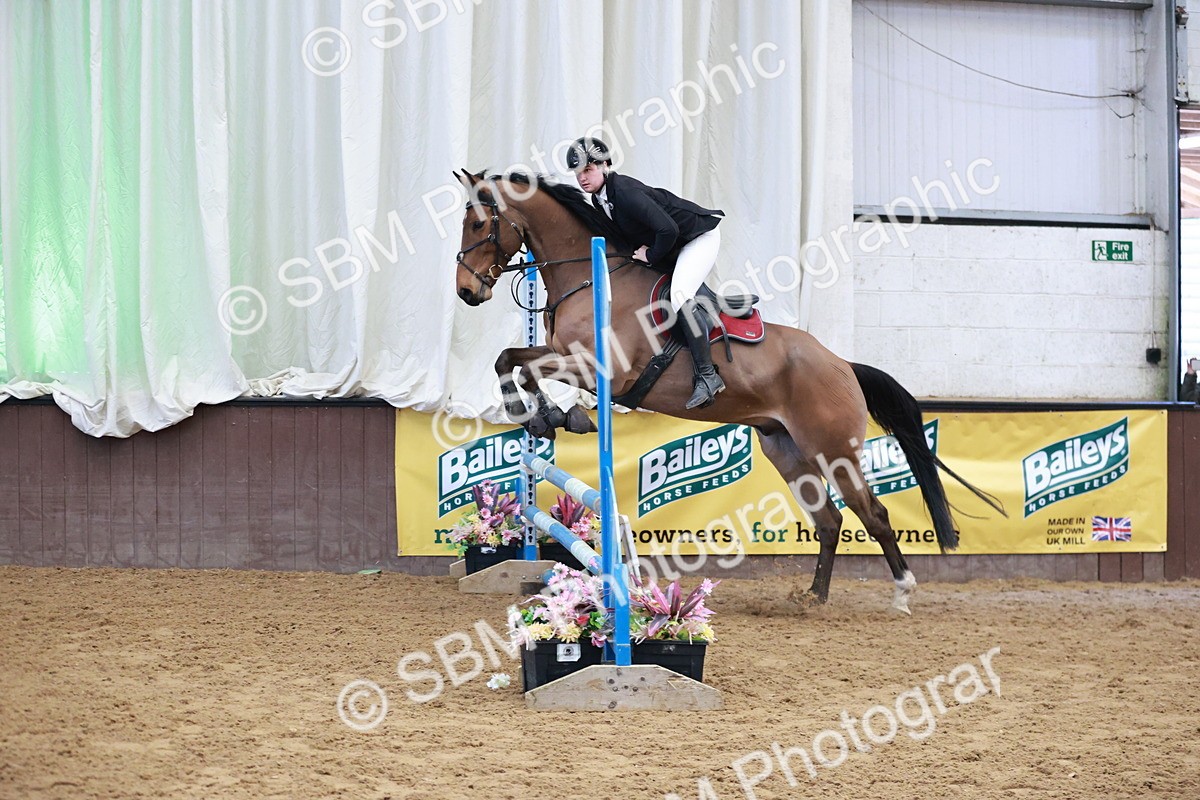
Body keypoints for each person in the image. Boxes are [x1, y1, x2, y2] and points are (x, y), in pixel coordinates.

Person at [566, 136, 727, 410]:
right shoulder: (600, 200)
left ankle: (708, 376)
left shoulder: (625, 191)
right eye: (578, 172)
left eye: (588, 169)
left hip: (698, 237)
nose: (582, 177)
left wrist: (650, 255)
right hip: (675, 244)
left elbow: (669, 230)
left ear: (605, 165)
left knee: (678, 296)